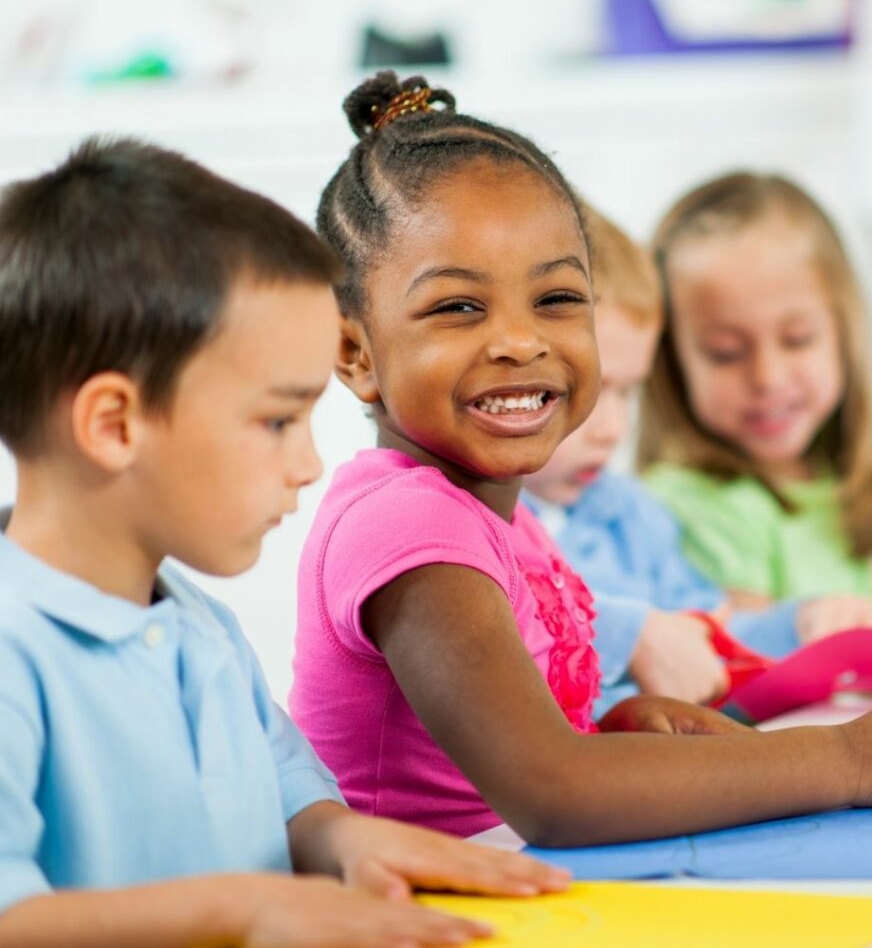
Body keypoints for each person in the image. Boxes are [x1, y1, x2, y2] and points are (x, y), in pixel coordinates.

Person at [291, 71, 872, 851]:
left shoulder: (496, 515)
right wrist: (854, 759)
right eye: (459, 306)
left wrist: (611, 729)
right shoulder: (407, 525)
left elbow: (532, 758)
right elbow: (553, 793)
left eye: (557, 299)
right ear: (354, 351)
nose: (522, 341)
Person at [0, 137, 567, 948]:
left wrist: (346, 842)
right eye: (276, 421)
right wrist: (244, 911)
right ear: (114, 424)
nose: (307, 466)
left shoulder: (198, 625)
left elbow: (290, 793)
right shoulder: (13, 655)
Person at [521, 204, 872, 714]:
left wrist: (802, 622)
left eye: (627, 393)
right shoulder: (476, 525)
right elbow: (495, 626)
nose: (612, 430)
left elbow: (711, 628)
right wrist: (630, 636)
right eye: (580, 391)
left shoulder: (634, 515)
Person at [639, 172, 872, 622]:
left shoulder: (816, 475)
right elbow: (751, 652)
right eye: (726, 353)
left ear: (843, 334)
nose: (767, 376)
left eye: (798, 340)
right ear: (673, 362)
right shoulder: (696, 502)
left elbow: (853, 590)